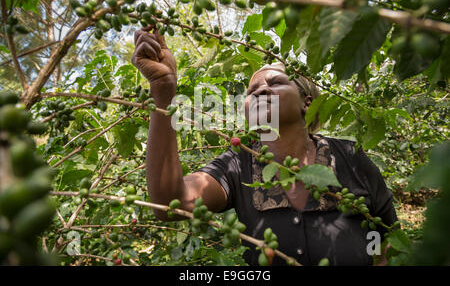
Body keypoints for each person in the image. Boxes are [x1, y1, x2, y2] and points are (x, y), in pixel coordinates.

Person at [131, 27, 398, 266]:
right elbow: (170, 203)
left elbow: (384, 232)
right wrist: (164, 92)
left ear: (307, 101)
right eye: (251, 91)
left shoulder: (349, 158)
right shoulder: (237, 165)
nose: (260, 91)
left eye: (275, 83)